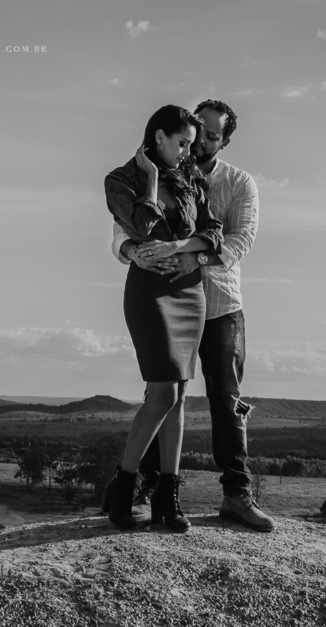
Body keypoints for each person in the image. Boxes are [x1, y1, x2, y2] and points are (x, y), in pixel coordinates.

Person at [111, 100, 273, 532]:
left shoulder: (237, 182)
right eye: (196, 135)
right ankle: (138, 491)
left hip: (219, 303)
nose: (201, 143)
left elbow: (238, 239)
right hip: (161, 292)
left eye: (212, 136)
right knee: (162, 396)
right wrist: (132, 251)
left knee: (224, 399)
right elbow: (125, 231)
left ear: (225, 141)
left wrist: (193, 260)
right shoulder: (154, 173)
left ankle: (233, 494)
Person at [103, 105, 222, 531]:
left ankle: (167, 499)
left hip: (189, 293)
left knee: (180, 396)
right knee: (162, 395)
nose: (188, 151)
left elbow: (213, 231)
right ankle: (123, 485)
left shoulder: (191, 179)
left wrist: (179, 250)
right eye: (183, 143)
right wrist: (151, 181)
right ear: (158, 137)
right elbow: (139, 227)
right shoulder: (120, 180)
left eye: (191, 144)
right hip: (149, 293)